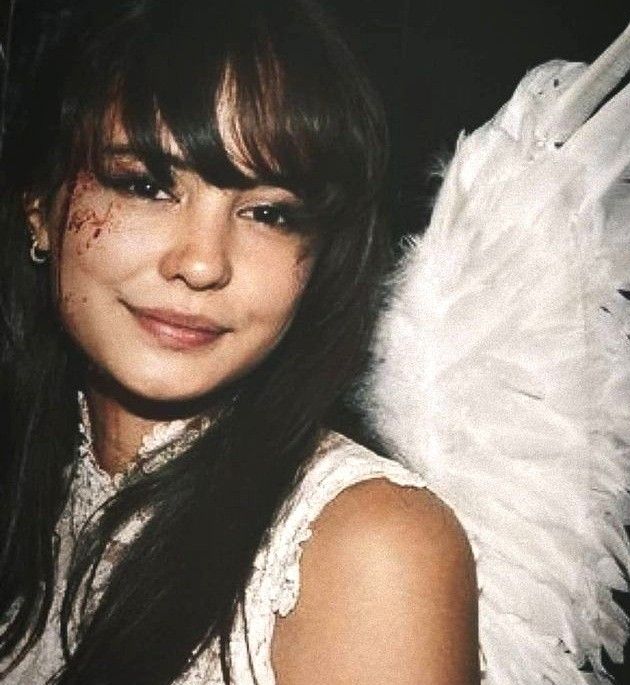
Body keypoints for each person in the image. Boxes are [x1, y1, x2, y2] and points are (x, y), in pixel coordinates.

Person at [0, 0, 479, 683]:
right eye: (145, 185)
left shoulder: (369, 547)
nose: (201, 262)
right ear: (40, 209)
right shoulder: (28, 479)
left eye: (267, 213)